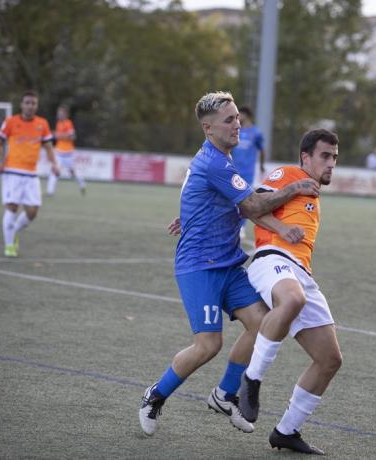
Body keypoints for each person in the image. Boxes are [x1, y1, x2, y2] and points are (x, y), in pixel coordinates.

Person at [138, 91, 320, 437]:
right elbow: (251, 206)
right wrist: (296, 188)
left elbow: (239, 206)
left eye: (237, 117)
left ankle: (224, 394)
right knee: (208, 344)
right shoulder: (215, 163)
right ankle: (155, 396)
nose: (238, 124)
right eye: (229, 120)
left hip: (228, 264)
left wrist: (281, 228)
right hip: (199, 267)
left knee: (264, 323)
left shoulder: (221, 160)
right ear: (209, 129)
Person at [238, 129, 342, 455]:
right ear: (306, 157)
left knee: (329, 360)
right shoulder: (289, 174)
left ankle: (287, 431)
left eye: (335, 158)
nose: (331, 164)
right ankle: (252, 380)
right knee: (292, 299)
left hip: (302, 273)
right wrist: (295, 187)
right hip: (271, 259)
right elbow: (250, 206)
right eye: (325, 156)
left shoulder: (313, 194)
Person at [0, 90, 59, 257]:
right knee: (12, 207)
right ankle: (9, 247)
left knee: (33, 212)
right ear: (22, 105)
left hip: (31, 174)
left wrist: (54, 164)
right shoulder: (10, 122)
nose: (30, 106)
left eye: (33, 103)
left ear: (37, 106)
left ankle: (13, 231)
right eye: (27, 102)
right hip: (12, 172)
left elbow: (48, 147)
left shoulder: (42, 124)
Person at [231, 106, 266, 239]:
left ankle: (242, 228)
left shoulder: (256, 133)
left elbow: (262, 149)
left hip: (247, 172)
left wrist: (262, 165)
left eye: (240, 115)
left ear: (246, 115)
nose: (238, 117)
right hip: (232, 170)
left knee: (244, 200)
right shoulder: (234, 131)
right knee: (229, 199)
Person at [46, 105, 86, 196]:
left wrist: (59, 135)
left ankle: (82, 184)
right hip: (59, 152)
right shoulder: (58, 124)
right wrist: (57, 135)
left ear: (65, 114)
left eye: (61, 113)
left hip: (68, 153)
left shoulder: (68, 123)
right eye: (58, 113)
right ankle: (50, 191)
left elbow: (72, 137)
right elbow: (57, 136)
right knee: (54, 170)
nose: (59, 114)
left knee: (72, 172)